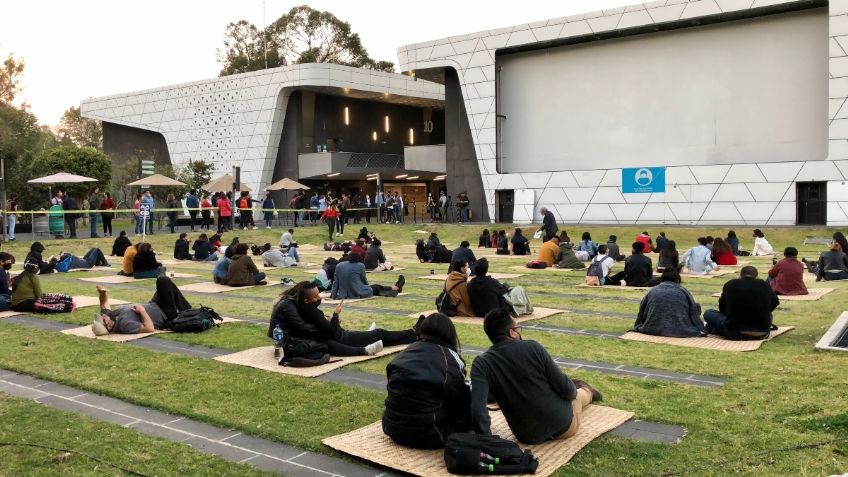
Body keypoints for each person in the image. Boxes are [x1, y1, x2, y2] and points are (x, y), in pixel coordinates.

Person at [470, 308, 602, 445]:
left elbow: (478, 410)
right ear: (512, 333)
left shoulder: (481, 364)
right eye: (518, 328)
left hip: (527, 435)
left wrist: (487, 444)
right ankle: (588, 391)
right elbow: (567, 390)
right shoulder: (533, 348)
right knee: (578, 395)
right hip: (563, 425)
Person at [383, 313, 470, 448]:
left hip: (391, 427)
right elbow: (461, 399)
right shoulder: (449, 359)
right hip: (431, 434)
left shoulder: (403, 354)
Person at [269, 281, 417, 356]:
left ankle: (412, 333)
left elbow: (308, 326)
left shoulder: (299, 305)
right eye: (316, 296)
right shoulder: (292, 306)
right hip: (296, 341)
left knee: (375, 334)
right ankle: (364, 350)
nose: (319, 298)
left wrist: (328, 321)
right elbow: (303, 327)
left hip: (330, 334)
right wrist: (333, 319)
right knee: (379, 334)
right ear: (306, 299)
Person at [90, 277, 191, 335]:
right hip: (165, 313)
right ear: (108, 325)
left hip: (154, 303)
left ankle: (187, 311)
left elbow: (104, 304)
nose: (103, 315)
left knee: (168, 285)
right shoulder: (124, 324)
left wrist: (102, 293)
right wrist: (142, 311)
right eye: (103, 319)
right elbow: (149, 329)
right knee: (163, 281)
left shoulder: (110, 316)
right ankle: (188, 312)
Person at [704, 266, 779, 340]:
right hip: (762, 332)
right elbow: (775, 302)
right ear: (756, 275)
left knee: (708, 313)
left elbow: (722, 307)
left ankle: (716, 329)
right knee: (769, 315)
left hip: (735, 331)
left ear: (741, 275)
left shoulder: (731, 284)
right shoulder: (765, 285)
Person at [633, 269, 705, 337]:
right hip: (680, 328)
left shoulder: (653, 290)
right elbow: (694, 311)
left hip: (652, 327)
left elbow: (642, 309)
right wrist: (700, 327)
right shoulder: (683, 291)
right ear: (677, 280)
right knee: (697, 306)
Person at [468, 258, 533, 317]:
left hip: (479, 312)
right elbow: (504, 290)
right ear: (486, 269)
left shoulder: (471, 283)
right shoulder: (491, 282)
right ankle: (528, 309)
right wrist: (505, 285)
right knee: (519, 289)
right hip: (495, 312)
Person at [331, 253, 404, 299]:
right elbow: (363, 280)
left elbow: (335, 282)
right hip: (357, 292)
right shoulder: (360, 265)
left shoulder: (339, 265)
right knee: (376, 287)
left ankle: (396, 287)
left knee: (376, 287)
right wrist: (367, 287)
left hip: (343, 294)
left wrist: (333, 296)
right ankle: (396, 287)